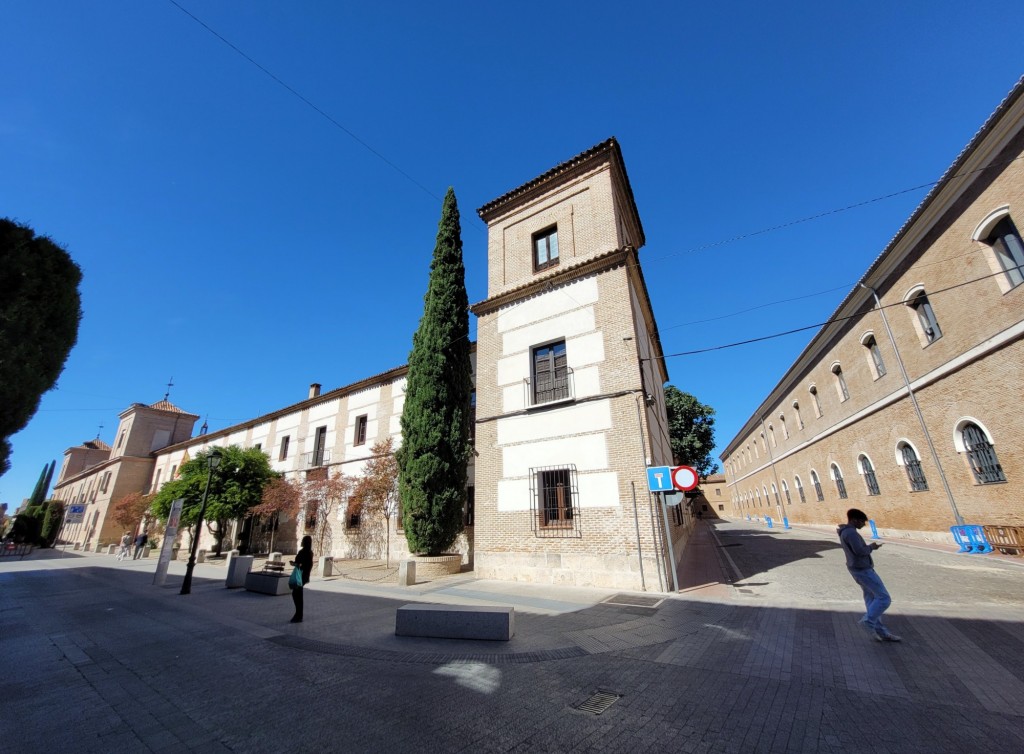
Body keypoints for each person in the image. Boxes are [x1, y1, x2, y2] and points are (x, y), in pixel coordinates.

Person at [838, 508, 900, 642]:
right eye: (861, 521)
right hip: (862, 569)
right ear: (854, 520)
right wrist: (872, 547)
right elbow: (860, 551)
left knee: (871, 599)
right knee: (884, 598)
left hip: (857, 568)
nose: (863, 524)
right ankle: (868, 621)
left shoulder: (847, 532)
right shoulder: (851, 533)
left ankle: (881, 631)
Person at [289, 535, 313, 623]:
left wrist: (294, 564)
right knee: (298, 594)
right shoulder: (309, 552)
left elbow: (301, 564)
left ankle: (299, 614)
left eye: (303, 540)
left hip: (300, 576)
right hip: (304, 576)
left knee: (297, 595)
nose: (301, 541)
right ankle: (298, 614)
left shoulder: (303, 552)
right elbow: (308, 565)